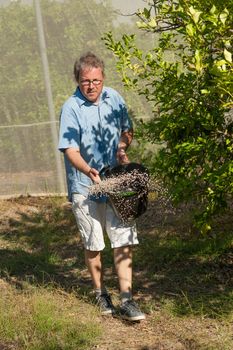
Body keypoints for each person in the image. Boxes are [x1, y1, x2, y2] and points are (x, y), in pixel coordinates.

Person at [58, 52, 145, 321]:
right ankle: (100, 293)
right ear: (78, 80)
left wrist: (121, 148)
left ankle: (127, 299)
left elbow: (126, 130)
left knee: (123, 239)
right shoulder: (71, 107)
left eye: (96, 80)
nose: (92, 86)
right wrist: (87, 169)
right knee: (94, 242)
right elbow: (70, 149)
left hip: (116, 183)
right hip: (85, 185)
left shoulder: (114, 98)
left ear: (103, 78)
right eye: (86, 81)